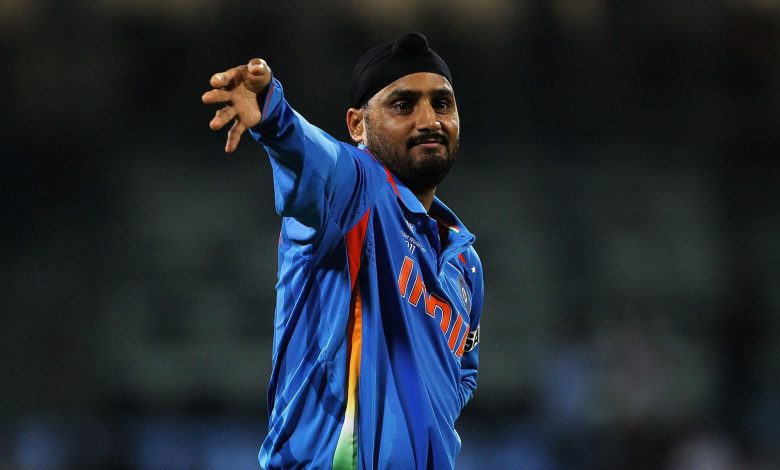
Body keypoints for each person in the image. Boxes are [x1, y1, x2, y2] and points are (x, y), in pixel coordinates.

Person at [202, 32, 483, 470]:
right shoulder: (357, 192)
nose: (429, 120)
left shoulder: (465, 262)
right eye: (403, 105)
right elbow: (314, 157)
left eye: (442, 104)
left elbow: (463, 374)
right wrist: (274, 118)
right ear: (357, 126)